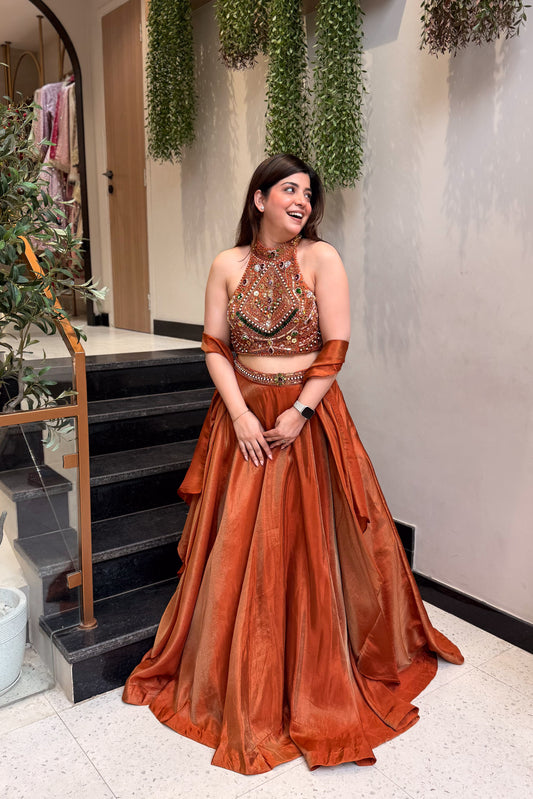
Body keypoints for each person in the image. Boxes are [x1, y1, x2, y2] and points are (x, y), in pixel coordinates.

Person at [122, 154, 463, 775]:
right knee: (239, 544)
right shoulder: (226, 264)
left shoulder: (322, 258)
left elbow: (335, 344)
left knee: (311, 545)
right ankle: (246, 672)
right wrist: (240, 415)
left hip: (308, 416)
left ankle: (315, 669)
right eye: (289, 189)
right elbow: (214, 346)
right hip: (245, 417)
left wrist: (301, 412)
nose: (302, 200)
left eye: (308, 192)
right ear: (259, 199)